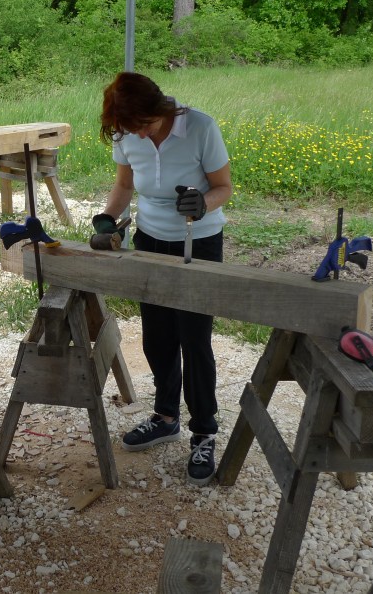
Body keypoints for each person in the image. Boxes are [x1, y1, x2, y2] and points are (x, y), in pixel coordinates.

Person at [92, 72, 233, 486]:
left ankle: (204, 431)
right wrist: (108, 220)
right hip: (149, 240)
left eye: (145, 125)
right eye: (130, 128)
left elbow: (224, 187)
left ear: (160, 109)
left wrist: (203, 202)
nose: (139, 134)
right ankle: (166, 417)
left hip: (197, 242)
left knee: (195, 339)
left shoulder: (200, 127)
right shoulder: (127, 131)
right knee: (157, 336)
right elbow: (124, 184)